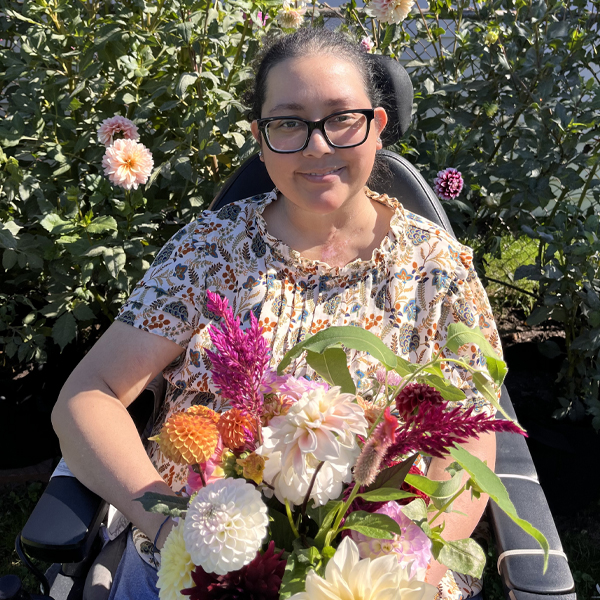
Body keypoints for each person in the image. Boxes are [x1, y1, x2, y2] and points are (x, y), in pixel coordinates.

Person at [52, 27, 499, 600]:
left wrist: (402, 569)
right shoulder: (210, 249)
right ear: (262, 142)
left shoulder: (437, 269)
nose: (317, 145)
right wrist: (172, 526)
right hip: (199, 567)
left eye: (341, 118)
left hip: (370, 572)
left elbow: (470, 439)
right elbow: (88, 395)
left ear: (377, 128)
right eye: (288, 122)